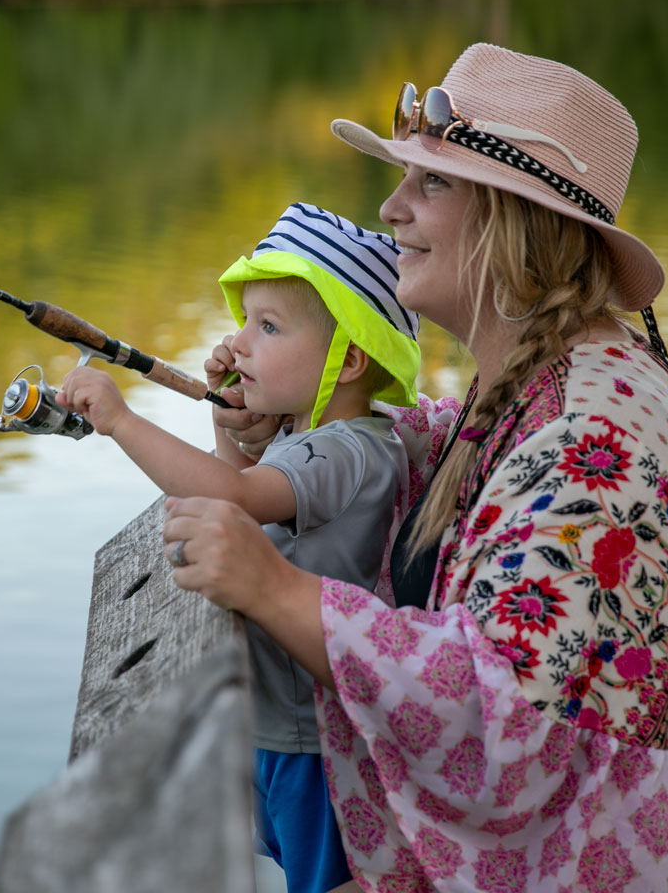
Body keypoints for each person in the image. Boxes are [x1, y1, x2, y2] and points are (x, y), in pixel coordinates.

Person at [167, 44, 668, 892]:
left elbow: (503, 713)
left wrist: (275, 587)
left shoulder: (596, 444)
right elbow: (443, 455)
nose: (391, 207)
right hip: (607, 822)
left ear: (517, 219)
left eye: (432, 183)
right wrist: (287, 434)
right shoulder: (541, 375)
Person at [59, 202, 422, 893]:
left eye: (270, 326)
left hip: (318, 747)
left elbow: (231, 497)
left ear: (347, 359)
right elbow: (244, 489)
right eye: (246, 321)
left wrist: (119, 419)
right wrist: (230, 416)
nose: (242, 342)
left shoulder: (351, 449)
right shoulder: (304, 435)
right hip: (281, 728)